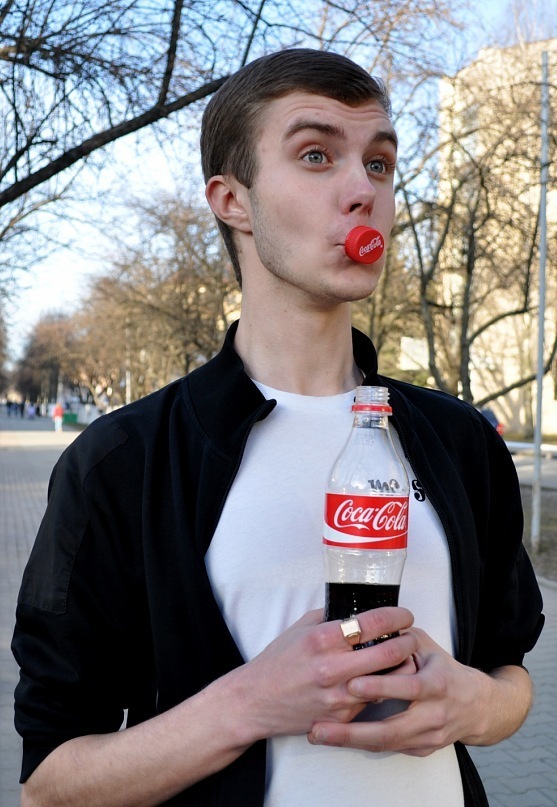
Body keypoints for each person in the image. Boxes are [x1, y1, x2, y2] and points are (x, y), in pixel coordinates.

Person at [12, 48, 544, 807]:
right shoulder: (124, 460)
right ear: (232, 199)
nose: (363, 191)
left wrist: (477, 707)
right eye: (317, 155)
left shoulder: (458, 441)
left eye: (380, 164)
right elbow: (50, 783)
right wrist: (248, 702)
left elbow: (509, 674)